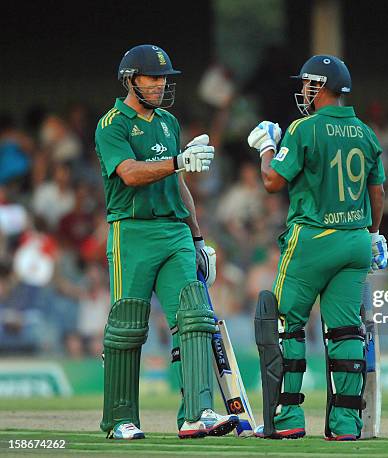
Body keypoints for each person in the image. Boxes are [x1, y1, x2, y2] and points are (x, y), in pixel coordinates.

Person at [95, 44, 238, 440]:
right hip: (133, 230)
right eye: (152, 78)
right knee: (127, 326)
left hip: (175, 231)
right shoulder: (112, 124)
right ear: (130, 80)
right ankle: (119, 420)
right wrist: (178, 161)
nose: (160, 84)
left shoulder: (168, 123)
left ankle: (198, 413)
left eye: (164, 78)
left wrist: (197, 237)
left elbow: (180, 185)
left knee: (194, 317)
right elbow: (129, 173)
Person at [248, 55, 387, 440]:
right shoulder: (366, 132)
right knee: (345, 332)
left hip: (312, 239)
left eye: (308, 84)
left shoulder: (304, 128)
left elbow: (273, 181)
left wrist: (265, 147)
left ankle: (288, 417)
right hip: (356, 241)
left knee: (285, 327)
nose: (304, 91)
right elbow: (378, 194)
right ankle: (345, 424)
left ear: (320, 87)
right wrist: (372, 235)